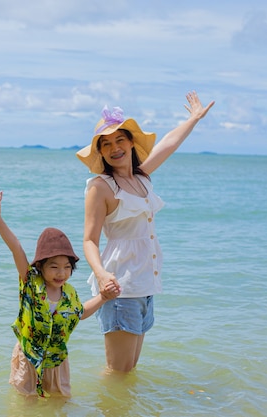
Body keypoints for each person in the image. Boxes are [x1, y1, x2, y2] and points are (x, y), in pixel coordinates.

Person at [76, 91, 215, 373]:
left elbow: (168, 144)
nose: (115, 148)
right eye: (106, 144)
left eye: (120, 140)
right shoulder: (100, 187)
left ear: (130, 142)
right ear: (100, 152)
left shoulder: (141, 177)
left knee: (129, 371)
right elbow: (89, 240)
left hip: (144, 286)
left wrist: (193, 119)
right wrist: (102, 275)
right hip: (120, 288)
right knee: (118, 371)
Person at [0, 190, 119, 398]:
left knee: (59, 401)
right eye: (54, 266)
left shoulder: (69, 295)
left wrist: (103, 297)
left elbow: (80, 313)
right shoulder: (31, 282)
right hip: (29, 356)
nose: (61, 273)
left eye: (67, 267)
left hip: (56, 360)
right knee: (26, 402)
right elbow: (16, 249)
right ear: (41, 266)